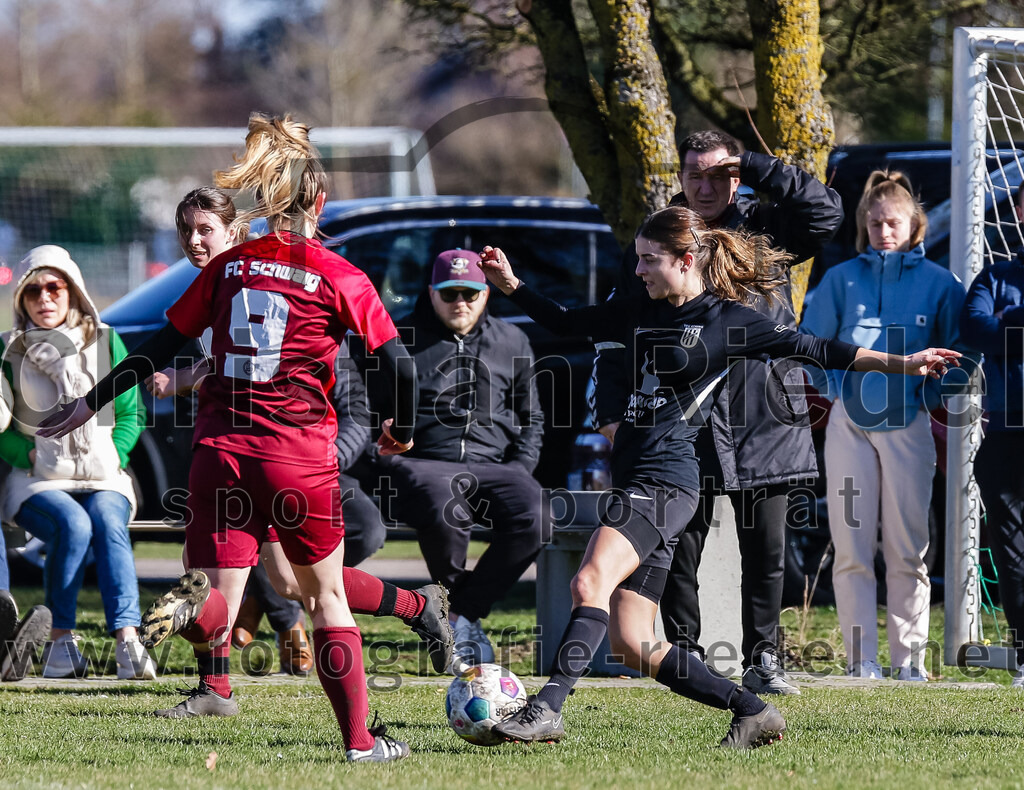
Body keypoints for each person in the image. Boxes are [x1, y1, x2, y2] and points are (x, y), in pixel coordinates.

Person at [477, 205, 959, 748]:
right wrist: (511, 284)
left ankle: (546, 709)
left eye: (648, 260)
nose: (637, 270)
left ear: (686, 261)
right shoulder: (637, 307)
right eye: (636, 259)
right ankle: (752, 710)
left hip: (667, 481)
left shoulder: (730, 321)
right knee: (633, 642)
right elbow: (566, 321)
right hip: (636, 475)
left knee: (589, 582)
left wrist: (903, 362)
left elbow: (818, 349)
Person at [39, 113, 427, 762]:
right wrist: (401, 429)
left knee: (220, 596)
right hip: (297, 458)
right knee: (326, 595)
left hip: (219, 454)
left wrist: (89, 402)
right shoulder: (339, 274)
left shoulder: (229, 267)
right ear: (320, 203)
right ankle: (361, 745)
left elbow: (158, 347)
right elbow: (400, 366)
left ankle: (197, 612)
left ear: (262, 203)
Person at [149, 187, 436, 680]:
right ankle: (216, 685)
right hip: (239, 453)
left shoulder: (247, 274)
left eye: (205, 231)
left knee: (280, 580)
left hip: (284, 456)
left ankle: (410, 607)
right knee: (258, 577)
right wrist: (195, 375)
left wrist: (186, 378)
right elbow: (239, 360)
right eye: (186, 231)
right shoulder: (222, 281)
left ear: (236, 232)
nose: (194, 242)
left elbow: (279, 361)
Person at [593, 129, 843, 695]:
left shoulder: (767, 230)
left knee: (766, 548)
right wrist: (610, 415)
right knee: (681, 545)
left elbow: (826, 212)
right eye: (694, 174)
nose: (705, 186)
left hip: (766, 414)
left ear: (736, 177)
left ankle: (765, 659)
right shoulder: (662, 236)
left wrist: (753, 162)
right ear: (679, 176)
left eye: (719, 174)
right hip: (684, 422)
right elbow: (614, 333)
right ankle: (686, 655)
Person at [801, 170, 966, 681]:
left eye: (891, 222)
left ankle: (909, 660)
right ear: (862, 225)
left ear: (913, 224)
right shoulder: (841, 279)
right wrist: (833, 391)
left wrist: (928, 399)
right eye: (873, 223)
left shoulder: (939, 283)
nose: (882, 231)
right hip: (850, 428)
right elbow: (809, 345)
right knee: (850, 545)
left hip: (908, 427)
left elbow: (962, 356)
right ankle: (861, 661)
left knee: (907, 545)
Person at [358, 249, 549, 669]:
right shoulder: (400, 340)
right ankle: (459, 625)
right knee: (445, 502)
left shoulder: (512, 340)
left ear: (486, 293)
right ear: (431, 294)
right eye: (449, 293)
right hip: (421, 462)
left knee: (538, 514)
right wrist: (388, 447)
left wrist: (520, 467)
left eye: (470, 292)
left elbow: (532, 415)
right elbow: (367, 412)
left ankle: (459, 614)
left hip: (497, 465)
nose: (460, 302)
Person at [0, 245, 156, 680]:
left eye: (55, 287)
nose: (45, 298)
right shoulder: (8, 350)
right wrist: (28, 454)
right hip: (37, 480)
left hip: (103, 474)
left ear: (73, 291)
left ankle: (128, 641)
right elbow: (1, 427)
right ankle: (60, 644)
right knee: (74, 524)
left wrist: (115, 452)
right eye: (33, 291)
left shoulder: (105, 341)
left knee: (107, 519)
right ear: (21, 300)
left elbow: (131, 413)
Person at [959, 183, 1024, 687]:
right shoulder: (995, 278)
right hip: (1007, 434)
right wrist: (1003, 323)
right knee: (1011, 552)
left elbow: (1001, 331)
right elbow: (978, 333)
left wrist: (1011, 322)